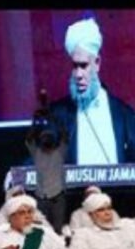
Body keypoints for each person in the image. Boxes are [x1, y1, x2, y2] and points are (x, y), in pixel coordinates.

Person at [48, 17, 135, 165]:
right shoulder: (58, 115)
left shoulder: (123, 115)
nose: (78, 74)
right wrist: (16, 174)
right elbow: (40, 158)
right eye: (74, 66)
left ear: (97, 63)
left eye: (83, 66)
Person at [26, 104, 69, 232]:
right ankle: (39, 245)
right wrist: (35, 122)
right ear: (40, 140)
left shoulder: (59, 152)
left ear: (54, 140)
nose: (47, 140)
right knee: (40, 229)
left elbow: (65, 135)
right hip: (41, 197)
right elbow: (29, 139)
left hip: (57, 196)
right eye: (44, 138)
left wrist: (54, 119)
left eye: (49, 137)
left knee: (57, 229)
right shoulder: (36, 152)